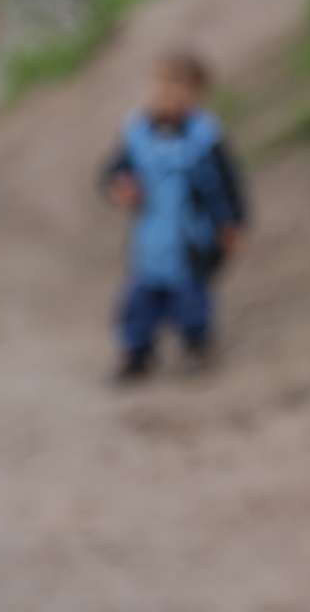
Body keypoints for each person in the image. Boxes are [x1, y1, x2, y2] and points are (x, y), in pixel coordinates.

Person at [100, 50, 246, 383]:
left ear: (197, 95)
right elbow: (111, 173)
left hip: (191, 239)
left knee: (191, 298)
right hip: (149, 241)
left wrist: (231, 223)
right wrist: (118, 188)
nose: (166, 95)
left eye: (177, 88)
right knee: (139, 301)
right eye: (160, 86)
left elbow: (228, 186)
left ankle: (196, 345)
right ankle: (136, 353)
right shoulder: (137, 136)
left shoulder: (205, 139)